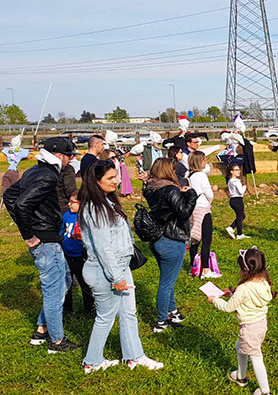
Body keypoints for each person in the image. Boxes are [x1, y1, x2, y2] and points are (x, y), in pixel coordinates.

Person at [79, 159, 163, 373]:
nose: (116, 181)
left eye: (116, 176)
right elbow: (103, 248)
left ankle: (134, 356)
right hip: (105, 271)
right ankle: (92, 361)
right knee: (105, 317)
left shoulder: (107, 202)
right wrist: (117, 278)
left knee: (128, 313)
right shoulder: (95, 208)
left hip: (120, 266)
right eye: (110, 178)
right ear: (95, 181)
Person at [3, 137, 81, 353]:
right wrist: (28, 234)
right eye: (69, 156)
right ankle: (57, 341)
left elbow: (10, 195)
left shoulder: (32, 171)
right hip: (45, 240)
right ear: (59, 156)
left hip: (47, 237)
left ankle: (41, 328)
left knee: (64, 280)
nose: (70, 161)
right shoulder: (48, 176)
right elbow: (21, 203)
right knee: (55, 290)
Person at [208, 246, 275, 395]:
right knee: (239, 346)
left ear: (245, 269)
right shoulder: (264, 282)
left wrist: (214, 300)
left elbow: (228, 307)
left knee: (256, 358)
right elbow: (249, 297)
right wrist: (232, 293)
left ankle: (265, 391)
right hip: (260, 324)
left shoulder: (244, 288)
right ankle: (240, 376)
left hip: (249, 328)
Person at [143, 158, 197, 333]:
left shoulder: (152, 188)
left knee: (169, 279)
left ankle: (172, 311)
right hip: (172, 240)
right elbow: (184, 213)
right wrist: (191, 194)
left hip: (157, 239)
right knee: (166, 283)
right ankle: (161, 321)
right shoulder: (171, 190)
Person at [188, 151, 220, 279]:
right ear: (199, 162)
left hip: (193, 208)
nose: (206, 162)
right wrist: (210, 200)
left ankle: (193, 267)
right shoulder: (201, 175)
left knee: (194, 238)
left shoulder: (189, 175)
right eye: (204, 160)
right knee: (206, 239)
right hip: (203, 208)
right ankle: (206, 269)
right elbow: (209, 193)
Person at [61, 194, 94, 316]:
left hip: (80, 256)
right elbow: (62, 231)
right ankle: (67, 309)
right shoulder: (66, 216)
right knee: (67, 283)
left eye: (72, 202)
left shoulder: (85, 217)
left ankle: (89, 307)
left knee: (84, 283)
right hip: (67, 255)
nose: (69, 204)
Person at [226, 164, 249, 240]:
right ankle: (239, 234)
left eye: (239, 169)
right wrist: (245, 187)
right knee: (240, 217)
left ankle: (231, 227)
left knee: (242, 216)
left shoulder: (230, 180)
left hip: (232, 199)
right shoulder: (236, 181)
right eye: (236, 170)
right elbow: (241, 192)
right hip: (238, 200)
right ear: (232, 172)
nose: (238, 171)